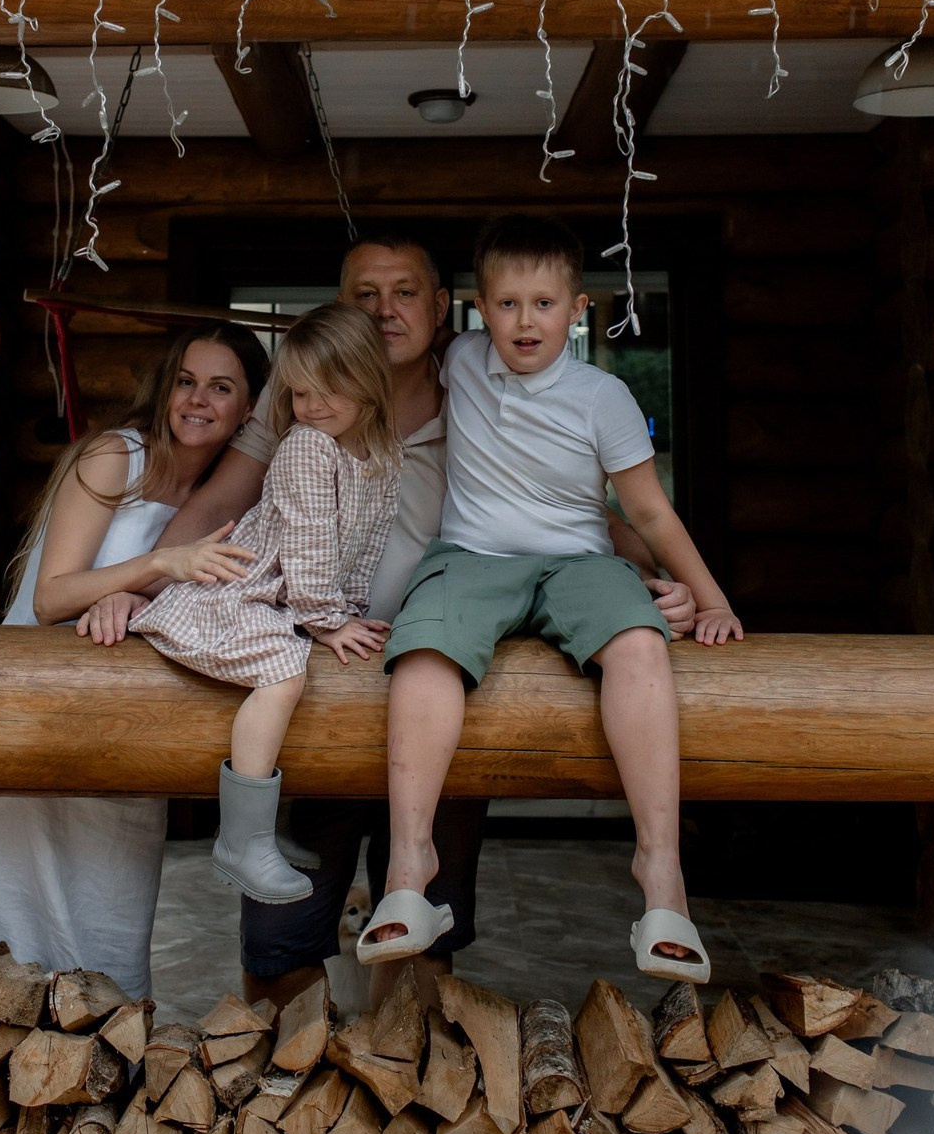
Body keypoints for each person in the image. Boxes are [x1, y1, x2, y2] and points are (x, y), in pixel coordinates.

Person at [89, 232, 693, 1009]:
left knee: (423, 940)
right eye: (364, 293)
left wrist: (654, 578)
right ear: (343, 305)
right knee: (280, 941)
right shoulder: (302, 400)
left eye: (404, 291)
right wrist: (142, 585)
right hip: (322, 690)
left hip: (448, 678)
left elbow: (575, 512)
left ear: (441, 308)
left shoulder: (480, 388)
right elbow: (218, 502)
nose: (384, 309)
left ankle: (397, 1093)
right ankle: (298, 1101)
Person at [361, 213, 742, 986]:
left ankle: (660, 873)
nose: (523, 320)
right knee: (423, 648)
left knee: (638, 644)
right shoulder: (460, 358)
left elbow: (649, 511)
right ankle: (411, 863)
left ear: (578, 308)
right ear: (476, 308)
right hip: (473, 556)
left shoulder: (603, 395)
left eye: (542, 303)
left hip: (577, 560)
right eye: (506, 304)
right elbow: (381, 330)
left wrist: (708, 598)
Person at [0, 323, 270, 1000]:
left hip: (127, 711)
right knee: (7, 902)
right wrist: (156, 564)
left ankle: (99, 1061)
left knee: (109, 911)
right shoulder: (112, 455)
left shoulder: (234, 491)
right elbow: (54, 593)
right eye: (186, 380)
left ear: (248, 408)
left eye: (220, 386)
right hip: (31, 698)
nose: (197, 399)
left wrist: (133, 599)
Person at [127, 304, 400, 906]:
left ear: (369, 384)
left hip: (289, 597)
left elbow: (367, 541)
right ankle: (242, 839)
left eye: (331, 390)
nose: (312, 407)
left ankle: (272, 826)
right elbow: (306, 541)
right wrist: (326, 621)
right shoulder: (306, 447)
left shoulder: (382, 455)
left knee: (313, 669)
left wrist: (345, 610)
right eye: (300, 393)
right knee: (281, 672)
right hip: (244, 589)